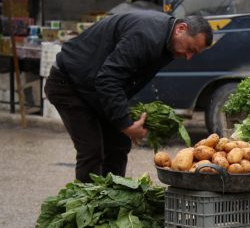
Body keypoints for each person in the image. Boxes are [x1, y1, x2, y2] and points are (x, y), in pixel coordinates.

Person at [44, 10, 213, 182]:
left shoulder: (168, 42)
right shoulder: (146, 36)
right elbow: (108, 79)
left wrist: (125, 120)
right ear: (181, 29)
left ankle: (113, 195)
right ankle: (86, 198)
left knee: (118, 145)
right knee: (92, 150)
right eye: (190, 49)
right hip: (69, 83)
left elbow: (122, 78)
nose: (188, 57)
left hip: (94, 86)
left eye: (194, 53)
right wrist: (125, 124)